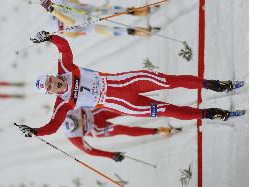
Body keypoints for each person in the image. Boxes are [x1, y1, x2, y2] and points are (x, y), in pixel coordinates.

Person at [21, 31, 244, 137]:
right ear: (50, 93)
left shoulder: (66, 68)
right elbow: (52, 127)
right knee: (169, 110)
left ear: (51, 75)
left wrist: (50, 38)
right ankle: (209, 114)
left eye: (50, 79)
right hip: (127, 105)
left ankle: (214, 84)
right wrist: (35, 131)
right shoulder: (62, 105)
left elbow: (64, 47)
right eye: (50, 87)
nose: (53, 83)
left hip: (130, 81)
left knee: (170, 81)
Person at [59, 107, 180, 162]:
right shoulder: (74, 137)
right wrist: (111, 155)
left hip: (97, 113)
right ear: (75, 130)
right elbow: (89, 151)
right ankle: (157, 130)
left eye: (78, 119)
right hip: (97, 128)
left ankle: (154, 108)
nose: (81, 122)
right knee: (120, 129)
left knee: (124, 109)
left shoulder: (68, 109)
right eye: (79, 125)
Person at [41, 0, 161, 39]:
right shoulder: (55, 23)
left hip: (86, 12)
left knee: (107, 11)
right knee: (107, 29)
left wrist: (88, 7)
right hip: (85, 24)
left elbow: (74, 2)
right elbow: (71, 24)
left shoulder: (58, 2)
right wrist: (53, 11)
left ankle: (142, 12)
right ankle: (141, 32)